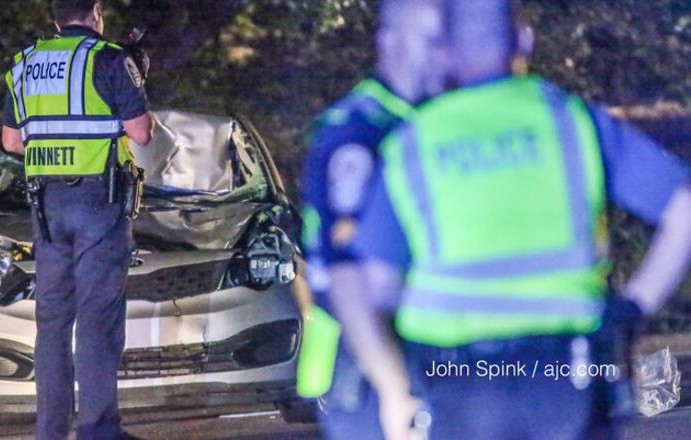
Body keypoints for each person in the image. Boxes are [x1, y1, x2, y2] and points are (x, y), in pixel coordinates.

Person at [331, 1, 691, 439]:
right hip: (566, 380)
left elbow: (378, 285)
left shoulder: (413, 144)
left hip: (456, 386)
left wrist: (392, 386)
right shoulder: (572, 123)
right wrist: (636, 304)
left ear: (443, 53)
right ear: (524, 42)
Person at [1, 0, 153, 438]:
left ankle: (50, 432)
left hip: (46, 206)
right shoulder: (108, 59)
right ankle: (98, 430)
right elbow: (141, 133)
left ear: (54, 17)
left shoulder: (24, 65)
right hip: (97, 203)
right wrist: (137, 80)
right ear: (96, 11)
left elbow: (11, 142)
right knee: (97, 318)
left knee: (51, 321)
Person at [296, 1, 447, 439]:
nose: (442, 56)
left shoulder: (423, 120)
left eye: (446, 42)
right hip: (366, 363)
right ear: (389, 43)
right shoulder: (361, 132)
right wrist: (393, 386)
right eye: (430, 41)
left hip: (405, 348)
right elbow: (348, 273)